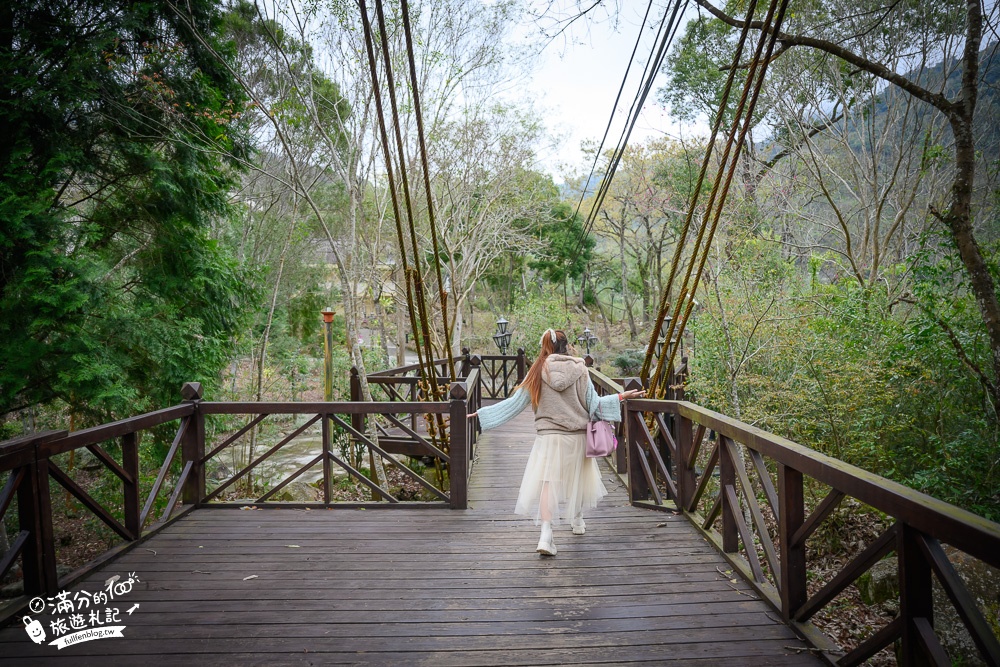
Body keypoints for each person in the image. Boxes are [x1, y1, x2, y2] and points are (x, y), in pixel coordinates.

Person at [468, 328, 644, 556]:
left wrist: (482, 415)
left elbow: (515, 403)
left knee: (548, 484)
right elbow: (594, 405)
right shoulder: (580, 369)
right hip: (577, 436)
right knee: (578, 478)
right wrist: (621, 397)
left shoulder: (537, 370)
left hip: (549, 437)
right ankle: (578, 520)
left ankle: (546, 535)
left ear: (546, 348)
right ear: (567, 346)